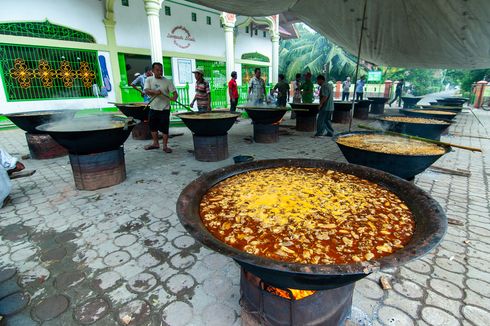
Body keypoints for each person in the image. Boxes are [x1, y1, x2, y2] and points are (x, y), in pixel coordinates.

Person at [143, 62, 178, 153]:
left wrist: (174, 98)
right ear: (153, 71)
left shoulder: (167, 81)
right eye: (157, 70)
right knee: (153, 127)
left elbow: (175, 94)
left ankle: (165, 146)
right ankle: (155, 143)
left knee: (164, 128)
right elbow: (146, 91)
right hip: (153, 108)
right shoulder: (149, 80)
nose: (160, 72)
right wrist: (154, 92)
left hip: (165, 108)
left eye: (161, 70)